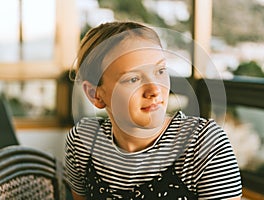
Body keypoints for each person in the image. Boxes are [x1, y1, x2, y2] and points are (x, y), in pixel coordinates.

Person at [65, 21, 242, 200]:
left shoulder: (203, 145)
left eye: (160, 71)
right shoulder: (83, 143)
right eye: (133, 79)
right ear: (95, 94)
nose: (155, 90)